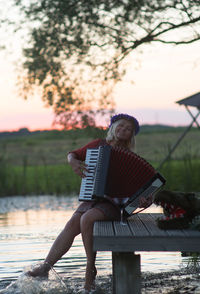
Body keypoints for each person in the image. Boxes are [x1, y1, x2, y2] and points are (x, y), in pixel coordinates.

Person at [26, 113, 152, 293]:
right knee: (71, 224)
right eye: (121, 125)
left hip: (115, 207)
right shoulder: (98, 145)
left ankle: (90, 269)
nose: (123, 130)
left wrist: (145, 200)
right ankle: (45, 268)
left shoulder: (133, 158)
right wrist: (74, 163)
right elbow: (73, 154)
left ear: (131, 135)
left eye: (128, 129)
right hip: (93, 199)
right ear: (113, 127)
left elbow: (147, 191)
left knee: (87, 219)